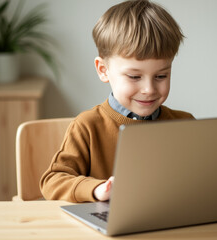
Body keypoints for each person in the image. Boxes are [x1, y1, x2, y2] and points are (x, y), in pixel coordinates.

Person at [40, 0, 194, 203]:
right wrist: (96, 189)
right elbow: (52, 181)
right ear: (103, 70)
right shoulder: (87, 126)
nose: (149, 89)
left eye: (161, 76)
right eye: (134, 77)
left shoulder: (185, 124)